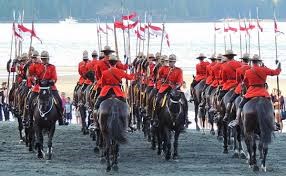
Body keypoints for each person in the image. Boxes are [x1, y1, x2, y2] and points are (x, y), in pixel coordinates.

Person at [229, 54, 281, 127]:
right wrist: (279, 65)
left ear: (252, 62)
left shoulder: (248, 72)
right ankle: (273, 122)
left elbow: (245, 83)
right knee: (270, 105)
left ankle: (237, 120)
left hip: (251, 92)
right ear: (259, 62)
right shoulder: (264, 69)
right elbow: (276, 72)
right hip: (263, 92)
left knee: (241, 105)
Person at [27, 51, 64, 126]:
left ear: (48, 59)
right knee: (30, 101)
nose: (44, 60)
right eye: (43, 59)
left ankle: (60, 118)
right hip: (38, 87)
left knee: (59, 101)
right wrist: (32, 61)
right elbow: (30, 73)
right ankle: (30, 119)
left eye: (45, 59)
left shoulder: (52, 67)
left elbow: (54, 77)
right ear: (41, 59)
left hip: (49, 87)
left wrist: (52, 81)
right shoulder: (36, 66)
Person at [94, 54, 134, 119]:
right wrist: (133, 72)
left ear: (109, 63)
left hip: (106, 91)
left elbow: (103, 83)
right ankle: (129, 122)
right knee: (126, 106)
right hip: (117, 91)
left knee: (96, 105)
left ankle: (95, 120)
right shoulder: (120, 71)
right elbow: (130, 77)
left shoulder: (105, 72)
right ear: (116, 63)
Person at [154, 54, 188, 129]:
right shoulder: (163, 68)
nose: (171, 63)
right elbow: (158, 77)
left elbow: (180, 81)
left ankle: (185, 119)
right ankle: (155, 118)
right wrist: (161, 79)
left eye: (172, 61)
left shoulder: (179, 70)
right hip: (165, 87)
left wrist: (176, 87)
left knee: (184, 101)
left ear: (175, 62)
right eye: (170, 61)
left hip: (175, 89)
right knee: (157, 100)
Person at [223, 53, 250, 121]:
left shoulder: (225, 66)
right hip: (250, 88)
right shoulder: (248, 67)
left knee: (229, 100)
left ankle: (226, 114)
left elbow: (225, 79)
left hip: (234, 85)